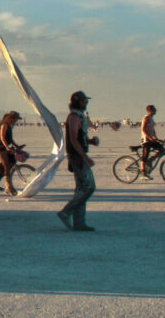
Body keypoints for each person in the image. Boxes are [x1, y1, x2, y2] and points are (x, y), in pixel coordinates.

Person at [58, 90, 99, 232]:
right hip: (77, 157)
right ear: (78, 102)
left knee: (81, 189)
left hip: (79, 155)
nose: (86, 104)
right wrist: (84, 157)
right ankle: (66, 212)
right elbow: (73, 139)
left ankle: (79, 223)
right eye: (84, 101)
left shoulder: (78, 116)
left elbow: (80, 138)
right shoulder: (74, 117)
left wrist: (90, 141)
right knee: (89, 187)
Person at [0, 111, 25, 195]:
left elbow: (10, 139)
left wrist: (16, 146)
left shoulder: (10, 126)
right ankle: (8, 187)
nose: (16, 121)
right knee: (6, 166)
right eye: (16, 119)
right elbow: (2, 137)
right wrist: (7, 147)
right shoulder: (4, 125)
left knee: (12, 162)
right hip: (0, 147)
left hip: (6, 147)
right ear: (11, 118)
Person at [139, 104, 164, 179]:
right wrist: (149, 138)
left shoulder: (151, 119)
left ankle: (151, 159)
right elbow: (143, 129)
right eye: (154, 110)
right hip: (146, 140)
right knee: (144, 157)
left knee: (162, 150)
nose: (155, 111)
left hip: (151, 140)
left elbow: (152, 130)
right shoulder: (146, 118)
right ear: (150, 111)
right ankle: (143, 173)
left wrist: (156, 138)